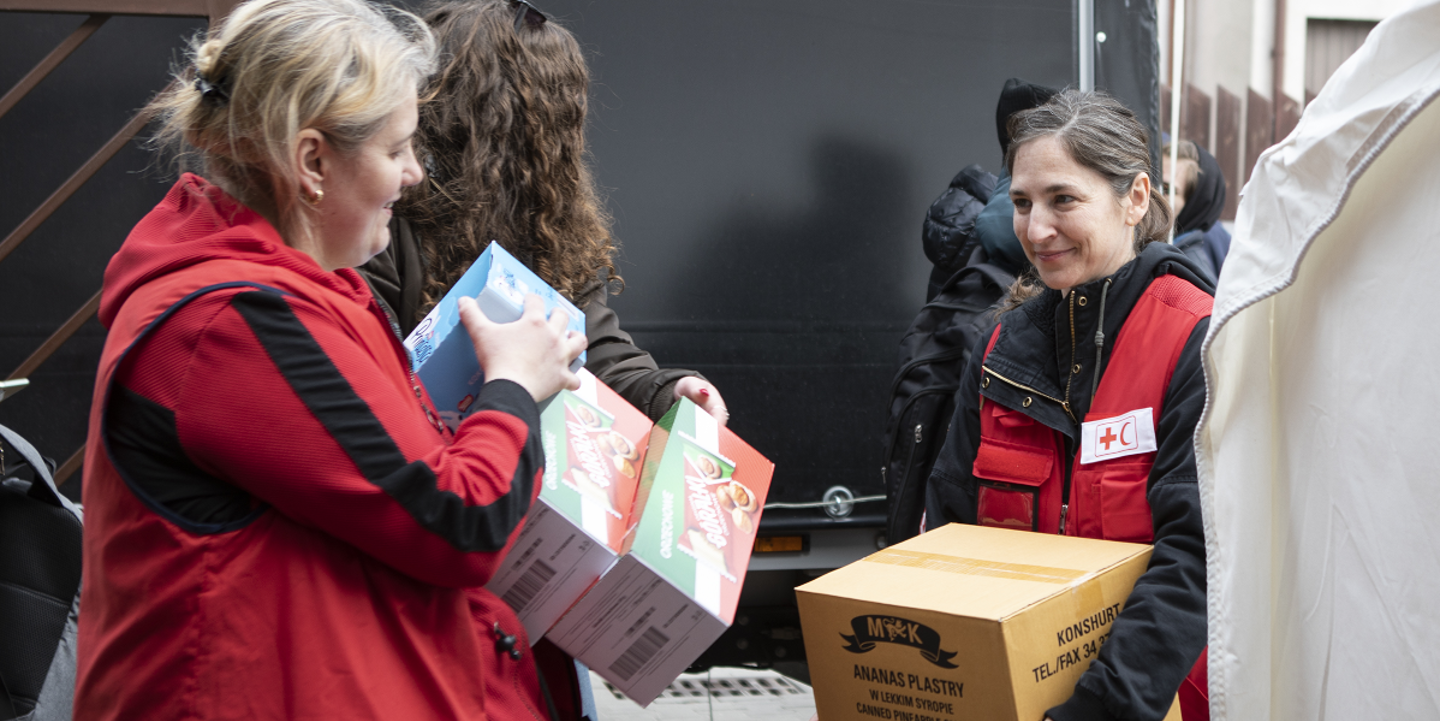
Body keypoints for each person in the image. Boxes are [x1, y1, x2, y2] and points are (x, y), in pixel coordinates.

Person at [74, 1, 585, 718]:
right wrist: (513, 387)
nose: (414, 175)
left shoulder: (294, 288)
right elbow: (459, 520)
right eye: (398, 148)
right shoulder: (234, 319)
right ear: (312, 160)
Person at [924, 90, 1210, 721]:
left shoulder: (1195, 341)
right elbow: (948, 536)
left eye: (1063, 200)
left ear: (1135, 198)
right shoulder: (998, 346)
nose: (1036, 228)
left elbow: (1194, 561)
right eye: (1022, 203)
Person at [358, 0, 726, 424]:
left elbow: (593, 350)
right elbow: (370, 378)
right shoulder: (384, 216)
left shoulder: (549, 217)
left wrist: (665, 392)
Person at [1163, 139, 1232, 277]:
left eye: (1167, 190)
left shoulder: (1189, 272)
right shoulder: (1159, 248)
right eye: (1152, 180)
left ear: (1192, 206)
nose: (1152, 192)